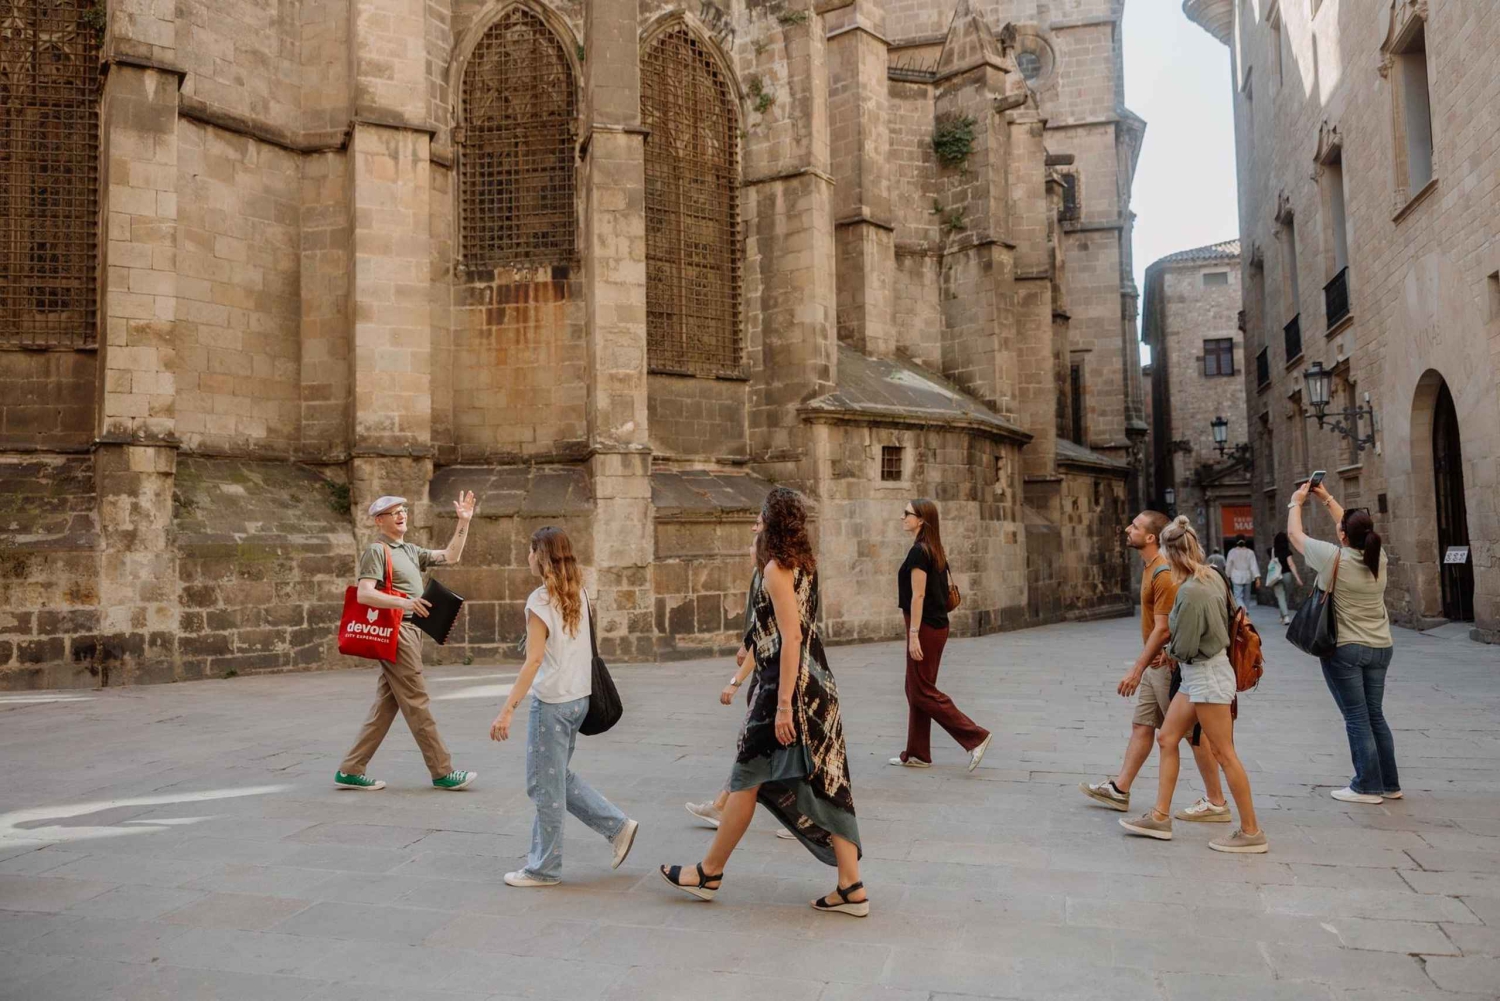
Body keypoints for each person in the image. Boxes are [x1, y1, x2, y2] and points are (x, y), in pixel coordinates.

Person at [661, 487, 867, 916]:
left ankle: (709, 872)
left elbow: (791, 637)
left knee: (746, 776)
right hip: (819, 683)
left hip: (787, 688)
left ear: (771, 522)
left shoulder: (776, 569)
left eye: (760, 517)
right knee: (827, 782)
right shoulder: (805, 564)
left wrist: (784, 705)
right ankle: (851, 886)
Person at [489, 527, 638, 886]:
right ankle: (618, 826)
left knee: (545, 788)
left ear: (540, 557)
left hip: (553, 704)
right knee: (553, 779)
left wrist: (507, 709)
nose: (527, 557)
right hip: (579, 700)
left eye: (530, 551)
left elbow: (533, 661)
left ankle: (544, 868)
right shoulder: (579, 592)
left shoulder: (539, 601)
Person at [1119, 516, 1268, 853]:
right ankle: (1160, 816)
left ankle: (1251, 831)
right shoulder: (1212, 575)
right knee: (1167, 737)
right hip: (1199, 675)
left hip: (1207, 676)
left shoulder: (1189, 591)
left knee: (1224, 753)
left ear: (1170, 553)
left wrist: (1167, 653)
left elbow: (1184, 646)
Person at [1080, 511, 1231, 823]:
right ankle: (1120, 789)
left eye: (1135, 526)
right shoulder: (1151, 567)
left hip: (1166, 664)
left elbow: (1163, 629)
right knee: (1143, 724)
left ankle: (1216, 800)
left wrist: (1136, 669)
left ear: (1151, 538)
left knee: (1191, 735)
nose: (1127, 528)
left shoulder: (1163, 573)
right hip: (1155, 663)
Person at [335, 494, 479, 792]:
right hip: (397, 631)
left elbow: (451, 556)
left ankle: (350, 770)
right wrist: (405, 603)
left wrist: (463, 522)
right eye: (393, 513)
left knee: (386, 705)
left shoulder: (411, 550)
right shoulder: (377, 550)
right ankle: (442, 771)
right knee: (416, 700)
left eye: (403, 511)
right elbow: (364, 593)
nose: (401, 515)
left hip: (412, 631)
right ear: (379, 521)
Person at [1287, 483, 1399, 804]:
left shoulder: (1334, 557)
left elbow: (1295, 535)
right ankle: (1389, 784)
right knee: (1375, 715)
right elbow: (1353, 527)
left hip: (1347, 649)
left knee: (1357, 717)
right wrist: (1327, 498)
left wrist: (1296, 503)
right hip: (1381, 647)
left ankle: (1366, 786)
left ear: (1343, 536)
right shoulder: (1379, 558)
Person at [685, 516, 795, 841]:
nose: (751, 535)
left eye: (758, 525)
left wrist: (737, 681)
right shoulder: (765, 573)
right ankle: (722, 807)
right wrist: (747, 648)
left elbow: (779, 637)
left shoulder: (775, 574)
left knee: (760, 745)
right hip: (768, 673)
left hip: (776, 677)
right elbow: (761, 633)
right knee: (760, 747)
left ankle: (806, 818)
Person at [888, 498, 992, 772]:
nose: (902, 517)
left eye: (907, 513)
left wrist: (913, 635)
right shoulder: (933, 549)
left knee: (922, 690)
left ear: (921, 520)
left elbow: (919, 595)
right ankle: (917, 753)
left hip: (924, 627)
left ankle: (976, 737)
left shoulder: (918, 552)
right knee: (916, 688)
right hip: (936, 626)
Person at [1269, 531, 1305, 625]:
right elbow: (1291, 564)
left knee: (1280, 596)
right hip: (1287, 575)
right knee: (1286, 596)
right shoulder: (1287, 551)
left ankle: (1285, 616)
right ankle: (1284, 616)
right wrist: (1297, 578)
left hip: (1276, 576)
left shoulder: (1273, 551)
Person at [1224, 536, 1260, 611]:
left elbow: (1228, 565)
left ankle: (1244, 611)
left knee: (1237, 597)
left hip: (1236, 576)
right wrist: (1257, 578)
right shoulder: (1250, 552)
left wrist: (1227, 576)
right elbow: (1253, 565)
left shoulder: (1232, 552)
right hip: (1248, 576)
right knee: (1247, 597)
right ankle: (1246, 613)